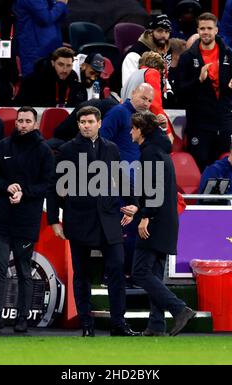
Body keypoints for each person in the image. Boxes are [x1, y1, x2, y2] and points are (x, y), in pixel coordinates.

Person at [46, 106, 141, 337]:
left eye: (90, 121)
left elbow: (120, 177)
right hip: (78, 219)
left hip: (109, 219)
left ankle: (118, 324)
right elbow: (54, 185)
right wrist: (53, 220)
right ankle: (87, 326)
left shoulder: (111, 148)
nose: (85, 125)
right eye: (82, 122)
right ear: (78, 124)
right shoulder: (67, 150)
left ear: (99, 123)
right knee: (82, 274)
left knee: (117, 268)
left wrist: (134, 203)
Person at [0, 106, 54, 333]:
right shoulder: (3, 146)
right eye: (19, 120)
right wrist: (7, 187)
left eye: (27, 121)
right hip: (0, 219)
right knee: (0, 266)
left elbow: (47, 184)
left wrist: (24, 192)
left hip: (26, 219)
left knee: (24, 270)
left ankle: (23, 318)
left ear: (35, 123)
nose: (22, 124)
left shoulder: (44, 151)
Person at [128, 110, 196, 336]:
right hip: (166, 220)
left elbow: (153, 189)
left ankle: (179, 309)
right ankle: (156, 325)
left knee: (139, 272)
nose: (131, 132)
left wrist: (145, 216)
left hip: (154, 221)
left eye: (133, 128)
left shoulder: (149, 153)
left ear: (141, 130)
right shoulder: (161, 152)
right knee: (154, 274)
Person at [101, 83, 172, 287]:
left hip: (139, 185)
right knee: (121, 231)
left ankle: (132, 275)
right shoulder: (118, 113)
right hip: (121, 183)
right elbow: (103, 141)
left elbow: (166, 147)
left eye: (150, 100)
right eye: (143, 98)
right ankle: (112, 276)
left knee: (134, 232)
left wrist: (163, 128)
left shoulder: (147, 121)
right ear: (132, 94)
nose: (146, 103)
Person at [177, 12, 232, 172]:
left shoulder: (229, 55)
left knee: (225, 168)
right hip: (199, 123)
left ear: (216, 30)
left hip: (223, 121)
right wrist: (198, 80)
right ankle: (202, 198)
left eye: (209, 28)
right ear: (198, 30)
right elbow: (180, 93)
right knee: (200, 168)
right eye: (202, 28)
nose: (205, 32)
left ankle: (224, 198)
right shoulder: (187, 57)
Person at [121, 51, 173, 142]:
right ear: (159, 69)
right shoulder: (152, 72)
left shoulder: (132, 76)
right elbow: (155, 105)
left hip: (128, 126)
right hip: (141, 128)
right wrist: (167, 132)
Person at [121, 14, 173, 104]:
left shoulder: (166, 51)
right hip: (135, 102)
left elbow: (165, 78)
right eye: (160, 31)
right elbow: (128, 87)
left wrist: (169, 91)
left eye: (167, 31)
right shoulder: (134, 54)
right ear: (150, 32)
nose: (164, 35)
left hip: (155, 99)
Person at [15, 47, 87, 107]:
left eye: (68, 65)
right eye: (61, 64)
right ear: (53, 63)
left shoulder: (76, 85)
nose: (65, 70)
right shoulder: (31, 82)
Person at [12, 0, 68, 77]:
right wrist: (61, 4)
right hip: (35, 49)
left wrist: (60, 5)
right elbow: (45, 18)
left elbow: (62, 14)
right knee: (34, 82)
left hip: (52, 46)